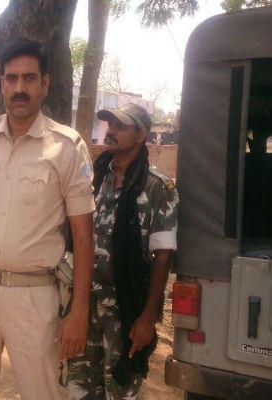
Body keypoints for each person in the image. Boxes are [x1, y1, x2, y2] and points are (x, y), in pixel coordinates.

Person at [0, 37, 96, 400]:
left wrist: (79, 310)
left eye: (29, 78)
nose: (19, 88)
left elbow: (84, 235)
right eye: (12, 79)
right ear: (2, 84)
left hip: (35, 297)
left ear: (45, 84)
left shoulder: (67, 147)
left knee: (42, 393)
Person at [66, 103, 178, 399]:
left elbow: (163, 257)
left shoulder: (157, 186)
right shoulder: (93, 176)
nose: (111, 130)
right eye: (110, 124)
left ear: (141, 135)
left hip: (125, 310)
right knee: (79, 387)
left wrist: (148, 318)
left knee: (119, 388)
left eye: (120, 126)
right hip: (85, 304)